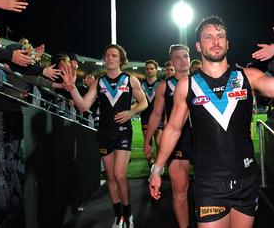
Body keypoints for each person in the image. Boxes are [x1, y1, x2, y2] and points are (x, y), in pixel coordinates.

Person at [149, 5, 274, 228]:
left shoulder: (247, 77)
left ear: (228, 43)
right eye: (208, 37)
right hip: (209, 184)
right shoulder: (188, 85)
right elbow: (173, 129)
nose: (216, 40)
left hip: (246, 181)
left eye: (221, 36)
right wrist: (157, 168)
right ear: (199, 46)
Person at [61, 44, 147, 228]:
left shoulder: (130, 80)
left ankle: (128, 214)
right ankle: (119, 216)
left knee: (119, 174)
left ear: (121, 60)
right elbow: (83, 106)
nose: (110, 58)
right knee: (110, 175)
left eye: (114, 56)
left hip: (123, 131)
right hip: (104, 133)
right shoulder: (99, 82)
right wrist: (71, 88)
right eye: (107, 55)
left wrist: (131, 113)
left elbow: (144, 103)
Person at [144, 44, 193, 228]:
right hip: (177, 140)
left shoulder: (201, 80)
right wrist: (148, 141)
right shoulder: (165, 86)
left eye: (186, 56)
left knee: (208, 188)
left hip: (202, 140)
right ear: (171, 62)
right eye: (178, 57)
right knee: (180, 189)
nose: (183, 60)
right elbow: (156, 115)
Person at [140, 59, 161, 166]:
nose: (149, 71)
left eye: (152, 68)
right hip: (145, 117)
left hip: (159, 117)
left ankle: (159, 166)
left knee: (159, 144)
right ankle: (152, 166)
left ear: (156, 70)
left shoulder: (162, 84)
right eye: (147, 69)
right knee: (148, 143)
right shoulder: (141, 85)